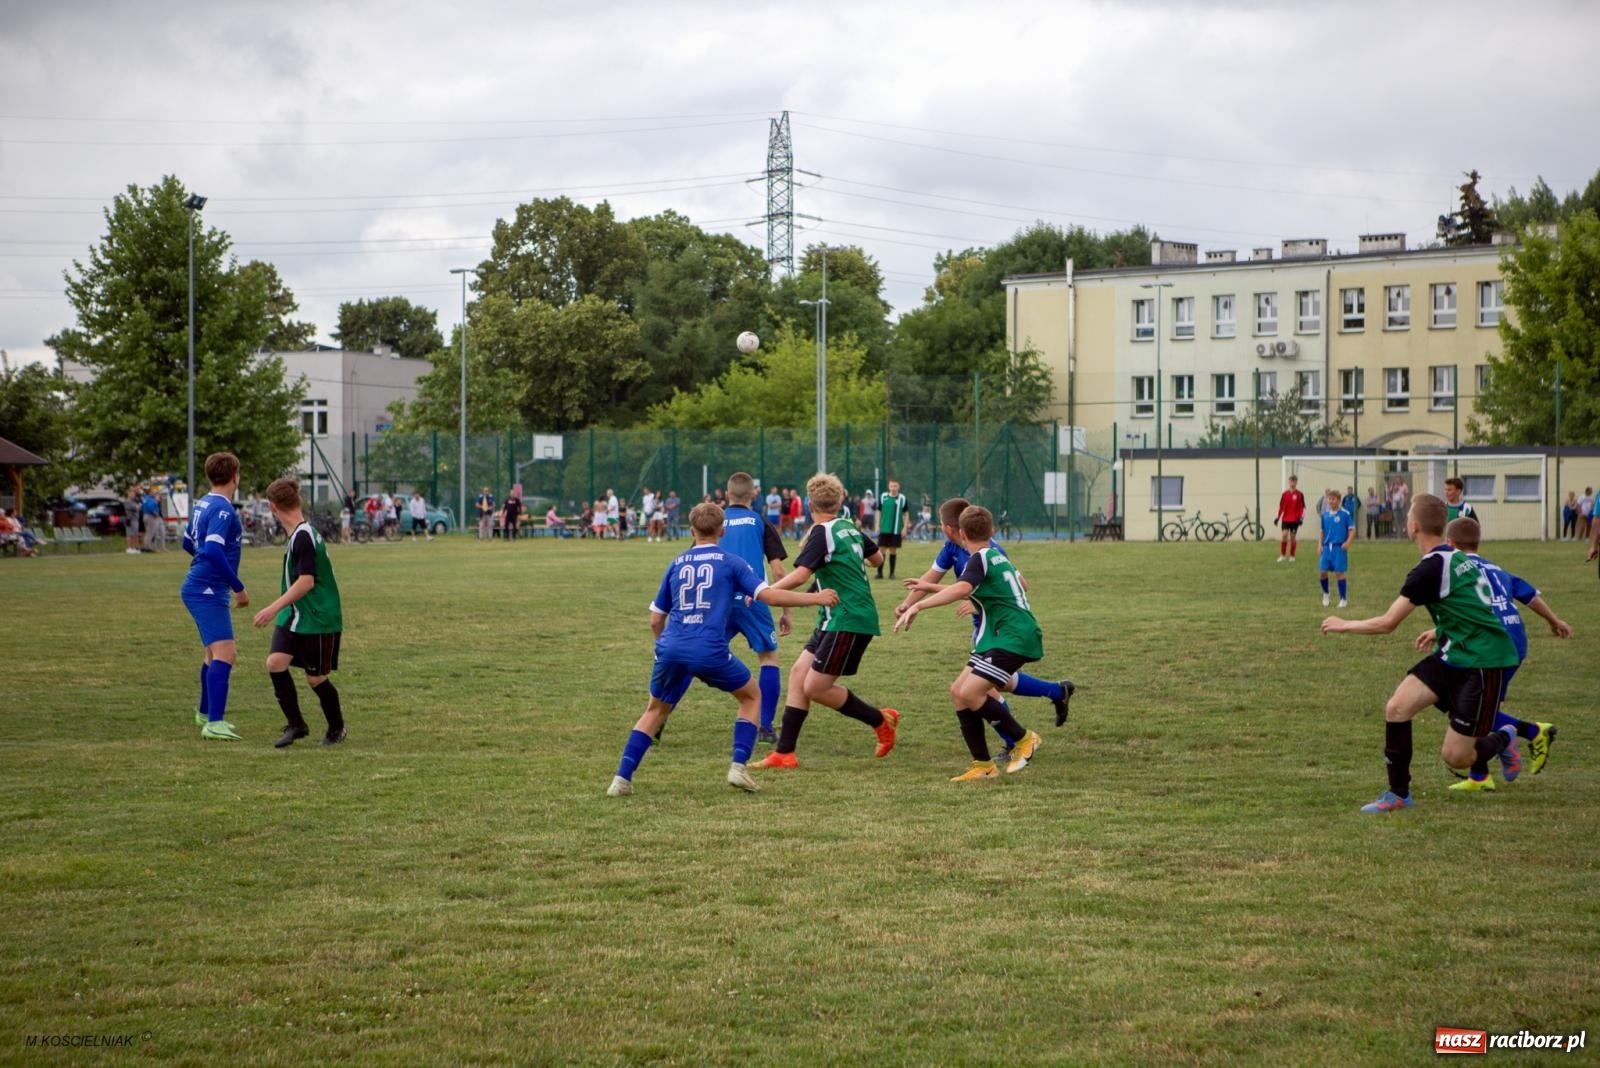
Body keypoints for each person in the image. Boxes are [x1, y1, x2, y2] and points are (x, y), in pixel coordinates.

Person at [606, 502, 838, 797]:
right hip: (709, 649)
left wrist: (663, 647)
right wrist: (816, 599)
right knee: (751, 696)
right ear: (722, 531)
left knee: (655, 710)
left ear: (692, 531)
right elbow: (769, 596)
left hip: (670, 647)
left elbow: (655, 620)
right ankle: (738, 768)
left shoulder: (676, 562)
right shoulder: (731, 562)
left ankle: (621, 779)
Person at [1320, 494, 1521, 813]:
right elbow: (1471, 603)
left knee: (1456, 756)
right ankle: (1398, 794)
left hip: (1484, 661)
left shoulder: (1431, 568)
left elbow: (1388, 623)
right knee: (1397, 707)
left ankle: (1504, 738)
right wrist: (1442, 629)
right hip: (1453, 652)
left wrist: (1345, 625)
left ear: (1412, 526)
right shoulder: (1456, 557)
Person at [895, 505, 1063, 781]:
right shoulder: (994, 556)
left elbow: (962, 588)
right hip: (999, 636)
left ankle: (1024, 739)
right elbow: (974, 588)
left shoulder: (980, 559)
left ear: (960, 532)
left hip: (1012, 637)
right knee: (958, 691)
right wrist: (927, 589)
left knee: (972, 693)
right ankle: (983, 765)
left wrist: (919, 606)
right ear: (993, 530)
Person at [757, 473, 900, 770]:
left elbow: (799, 576)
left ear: (809, 504)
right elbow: (877, 561)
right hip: (833, 616)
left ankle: (880, 720)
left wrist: (764, 592)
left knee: (816, 688)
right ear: (840, 502)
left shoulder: (822, 532)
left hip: (849, 617)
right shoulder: (848, 527)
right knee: (799, 675)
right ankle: (785, 753)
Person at [1437, 516, 1568, 789]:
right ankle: (1479, 775)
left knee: (1468, 707)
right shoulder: (1496, 569)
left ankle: (1531, 732)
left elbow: (1467, 605)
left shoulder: (1460, 569)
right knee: (1470, 706)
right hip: (1513, 641)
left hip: (1491, 646)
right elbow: (1529, 595)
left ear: (1449, 543)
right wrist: (1554, 621)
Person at [251, 477, 347, 748]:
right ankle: (297, 725)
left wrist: (272, 608)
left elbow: (307, 582)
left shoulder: (303, 536)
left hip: (317, 617)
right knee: (275, 663)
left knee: (315, 678)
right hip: (295, 616)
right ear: (298, 500)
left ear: (272, 506)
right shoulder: (298, 534)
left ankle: (337, 727)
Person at [720, 472, 795, 746]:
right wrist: (786, 610)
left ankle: (659, 719)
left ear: (727, 495)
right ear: (753, 495)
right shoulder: (761, 522)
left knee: (692, 660)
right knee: (768, 659)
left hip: (720, 603)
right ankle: (764, 727)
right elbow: (777, 571)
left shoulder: (715, 519)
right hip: (756, 599)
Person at [180, 452, 249, 741]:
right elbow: (212, 550)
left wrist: (203, 569)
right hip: (207, 589)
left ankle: (206, 713)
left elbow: (188, 542)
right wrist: (237, 585)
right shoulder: (222, 509)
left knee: (213, 653)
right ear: (235, 476)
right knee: (226, 653)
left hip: (202, 586)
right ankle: (214, 722)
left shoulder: (202, 504)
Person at [1318, 488, 1354, 608]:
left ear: (1338, 500)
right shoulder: (1325, 515)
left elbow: (1352, 530)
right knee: (1323, 572)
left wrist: (1348, 542)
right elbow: (1321, 531)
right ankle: (1326, 594)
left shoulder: (1345, 514)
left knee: (1339, 573)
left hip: (1339, 548)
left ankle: (1343, 599)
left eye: (1333, 499)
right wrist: (1319, 545)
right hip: (1327, 548)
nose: (1331, 501)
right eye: (1329, 499)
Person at [874, 479, 909, 580]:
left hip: (896, 530)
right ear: (889, 487)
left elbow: (906, 513)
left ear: (899, 487)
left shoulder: (902, 498)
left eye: (895, 486)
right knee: (881, 550)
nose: (893, 488)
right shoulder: (883, 497)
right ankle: (879, 573)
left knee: (893, 551)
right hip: (884, 529)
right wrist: (877, 524)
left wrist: (905, 527)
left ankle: (892, 573)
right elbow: (878, 511)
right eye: (891, 486)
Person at [1274, 475, 1306, 562]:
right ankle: (1282, 555)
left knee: (1292, 537)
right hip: (1285, 519)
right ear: (1289, 482)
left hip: (1295, 520)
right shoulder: (1285, 494)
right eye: (1291, 480)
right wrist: (1277, 517)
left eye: (1294, 481)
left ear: (1296, 482)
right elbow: (1281, 507)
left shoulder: (1300, 494)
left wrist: (1301, 518)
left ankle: (1292, 556)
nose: (1293, 482)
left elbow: (1303, 508)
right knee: (1284, 535)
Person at [142, 487, 165, 552]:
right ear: (150, 493)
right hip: (150, 516)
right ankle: (148, 547)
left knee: (148, 532)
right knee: (150, 532)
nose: (154, 494)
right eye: (153, 492)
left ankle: (146, 546)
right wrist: (155, 513)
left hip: (146, 515)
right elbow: (151, 508)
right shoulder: (150, 499)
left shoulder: (146, 499)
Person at [124, 484, 143, 554]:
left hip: (135, 519)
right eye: (131, 494)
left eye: (133, 494)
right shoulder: (127, 501)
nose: (133, 495)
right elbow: (135, 508)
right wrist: (137, 506)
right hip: (130, 519)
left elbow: (138, 507)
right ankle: (129, 548)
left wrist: (137, 506)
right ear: (129, 494)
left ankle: (134, 547)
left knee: (135, 534)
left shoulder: (134, 501)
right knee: (130, 534)